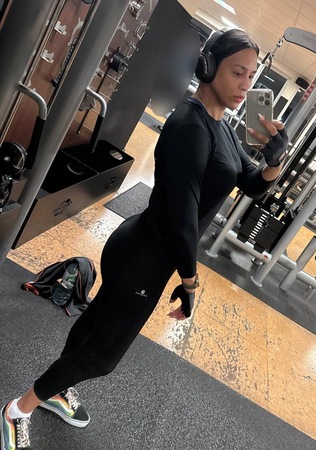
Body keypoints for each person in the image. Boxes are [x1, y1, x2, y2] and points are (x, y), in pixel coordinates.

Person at [0, 28, 289, 450]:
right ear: (208, 67)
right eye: (237, 72)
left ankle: (56, 391)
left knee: (95, 328)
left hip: (144, 249)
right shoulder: (190, 126)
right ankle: (17, 410)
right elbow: (183, 219)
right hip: (145, 257)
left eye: (251, 75)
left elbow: (250, 181)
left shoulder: (221, 126)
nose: (246, 84)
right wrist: (190, 282)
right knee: (102, 356)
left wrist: (274, 162)